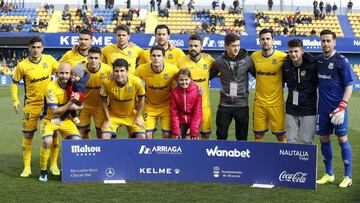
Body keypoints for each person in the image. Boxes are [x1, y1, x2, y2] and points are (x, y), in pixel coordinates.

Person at [11, 36, 60, 178]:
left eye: (38, 47)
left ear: (42, 48)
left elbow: (63, 72)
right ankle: (27, 167)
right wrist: (15, 100)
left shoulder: (50, 60)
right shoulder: (22, 65)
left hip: (50, 106)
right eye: (33, 47)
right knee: (28, 135)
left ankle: (54, 164)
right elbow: (14, 82)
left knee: (53, 134)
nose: (36, 50)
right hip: (31, 106)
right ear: (29, 48)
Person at [316, 29, 353, 188]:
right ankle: (329, 173)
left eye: (328, 41)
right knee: (324, 138)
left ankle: (348, 176)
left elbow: (349, 85)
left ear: (334, 42)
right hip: (323, 109)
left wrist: (343, 106)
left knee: (342, 139)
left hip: (338, 109)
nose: (325, 44)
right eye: (323, 41)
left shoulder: (341, 61)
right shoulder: (318, 61)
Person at [38, 63, 82, 182]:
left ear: (70, 74)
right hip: (49, 119)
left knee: (77, 141)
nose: (64, 76)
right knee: (47, 141)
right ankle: (43, 171)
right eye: (61, 73)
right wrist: (70, 104)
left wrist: (77, 107)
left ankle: (70, 170)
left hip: (66, 120)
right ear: (57, 73)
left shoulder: (74, 86)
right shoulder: (50, 87)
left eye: (67, 73)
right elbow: (55, 111)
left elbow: (80, 104)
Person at [210, 33, 254, 141]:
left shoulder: (248, 60)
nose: (236, 48)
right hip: (224, 105)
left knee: (242, 137)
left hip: (242, 104)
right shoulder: (219, 62)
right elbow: (209, 76)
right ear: (226, 46)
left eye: (238, 45)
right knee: (221, 136)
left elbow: (258, 76)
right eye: (233, 46)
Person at [251, 28, 287, 142]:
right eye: (262, 39)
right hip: (259, 104)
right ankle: (259, 159)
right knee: (258, 136)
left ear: (273, 41)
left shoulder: (283, 57)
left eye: (268, 39)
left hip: (277, 104)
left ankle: (282, 157)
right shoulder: (254, 56)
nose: (265, 41)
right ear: (259, 41)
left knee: (280, 136)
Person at [135, 45, 178, 139]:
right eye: (153, 56)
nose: (156, 58)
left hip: (166, 106)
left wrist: (196, 89)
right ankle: (150, 153)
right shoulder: (141, 69)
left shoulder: (172, 69)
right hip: (149, 106)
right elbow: (131, 82)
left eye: (159, 56)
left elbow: (184, 80)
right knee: (147, 135)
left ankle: (163, 153)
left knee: (167, 134)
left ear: (164, 57)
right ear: (150, 57)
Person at [176, 34, 214, 139]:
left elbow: (221, 72)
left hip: (204, 106)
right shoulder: (180, 62)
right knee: (187, 137)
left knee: (205, 135)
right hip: (186, 108)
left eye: (196, 46)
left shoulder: (209, 60)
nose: (193, 48)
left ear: (201, 47)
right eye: (191, 45)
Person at [282, 39, 317, 144]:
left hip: (308, 109)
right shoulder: (286, 65)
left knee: (306, 141)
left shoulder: (313, 65)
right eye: (291, 51)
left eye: (296, 51)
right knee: (290, 140)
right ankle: (289, 161)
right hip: (291, 108)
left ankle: (305, 161)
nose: (293, 54)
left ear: (302, 51)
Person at [101, 59, 146, 139]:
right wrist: (107, 119)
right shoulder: (106, 82)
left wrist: (138, 117)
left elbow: (141, 100)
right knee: (105, 136)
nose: (119, 74)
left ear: (127, 71)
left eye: (122, 71)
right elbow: (103, 102)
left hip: (132, 114)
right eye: (116, 71)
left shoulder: (137, 82)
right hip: (114, 115)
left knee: (141, 136)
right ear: (113, 71)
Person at [77, 47, 112, 139]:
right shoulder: (80, 69)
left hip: (100, 107)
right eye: (91, 58)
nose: (93, 60)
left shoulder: (108, 70)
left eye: (96, 58)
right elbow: (73, 88)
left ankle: (101, 153)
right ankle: (83, 151)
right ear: (87, 58)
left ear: (100, 58)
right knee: (80, 133)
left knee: (101, 133)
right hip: (83, 106)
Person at [170, 69, 202, 139]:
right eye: (181, 80)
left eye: (186, 79)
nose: (184, 82)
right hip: (181, 120)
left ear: (190, 79)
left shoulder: (197, 91)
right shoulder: (174, 93)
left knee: (194, 140)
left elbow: (197, 112)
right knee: (178, 141)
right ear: (177, 80)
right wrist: (176, 131)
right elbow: (174, 113)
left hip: (193, 120)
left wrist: (194, 132)